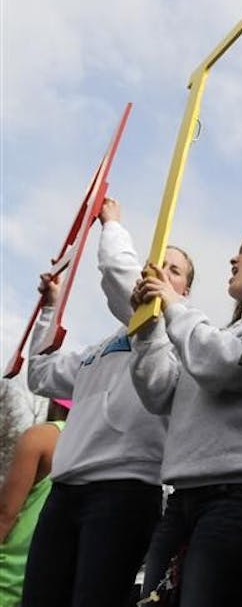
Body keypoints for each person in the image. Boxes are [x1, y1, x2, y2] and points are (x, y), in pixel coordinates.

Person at [23, 199, 192, 607]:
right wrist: (50, 307)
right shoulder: (98, 350)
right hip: (66, 492)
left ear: (185, 290)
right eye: (157, 264)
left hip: (125, 492)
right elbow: (41, 374)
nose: (158, 273)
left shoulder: (180, 334)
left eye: (173, 270)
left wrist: (111, 224)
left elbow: (121, 277)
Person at [129, 230, 242, 606]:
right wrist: (148, 330)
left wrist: (175, 305)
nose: (232, 259)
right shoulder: (219, 333)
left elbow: (224, 366)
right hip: (184, 500)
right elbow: (159, 393)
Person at [0, 399, 68, 605]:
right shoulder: (101, 447)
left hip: (11, 575)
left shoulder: (43, 437)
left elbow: (5, 513)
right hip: (57, 575)